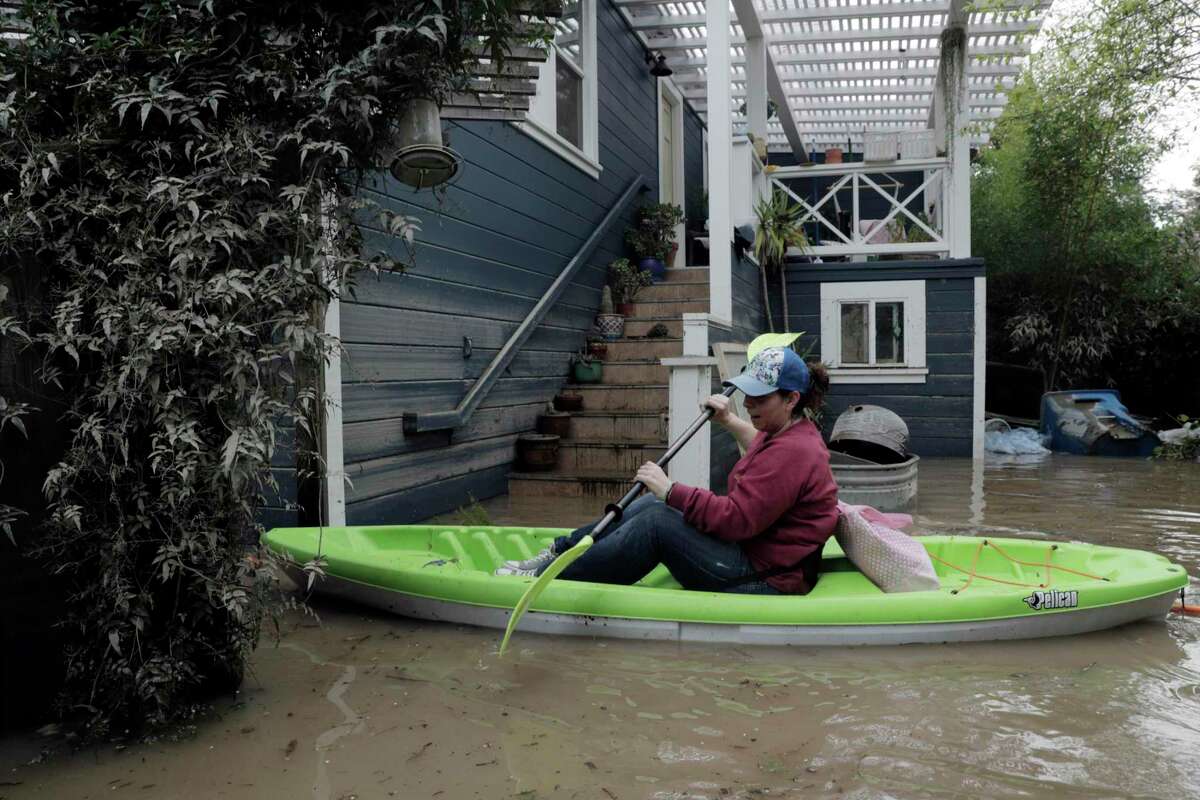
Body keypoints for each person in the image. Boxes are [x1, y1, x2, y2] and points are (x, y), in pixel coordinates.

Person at [496, 346, 839, 595]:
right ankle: (562, 549)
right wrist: (729, 420)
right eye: (747, 394)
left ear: (792, 399)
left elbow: (735, 520)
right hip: (756, 554)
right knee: (649, 506)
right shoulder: (789, 432)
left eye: (760, 399)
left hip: (764, 576)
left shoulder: (795, 451)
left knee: (657, 521)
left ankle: (549, 578)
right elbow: (762, 445)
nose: (748, 404)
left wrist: (672, 490)